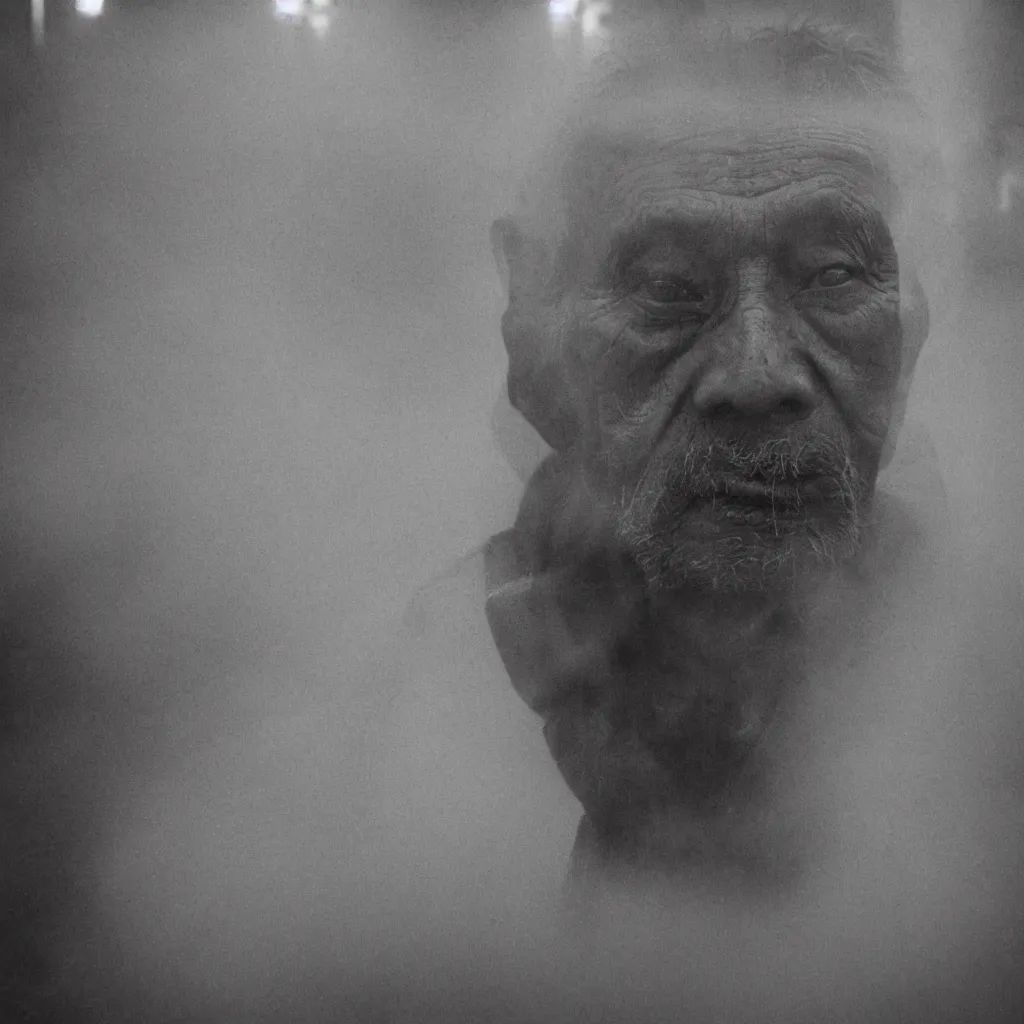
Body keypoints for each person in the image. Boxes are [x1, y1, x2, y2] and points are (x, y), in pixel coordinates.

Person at [375, 16, 1024, 1022]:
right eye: (671, 288)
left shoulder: (991, 684)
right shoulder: (438, 680)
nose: (757, 375)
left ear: (918, 309)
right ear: (532, 312)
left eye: (836, 276)